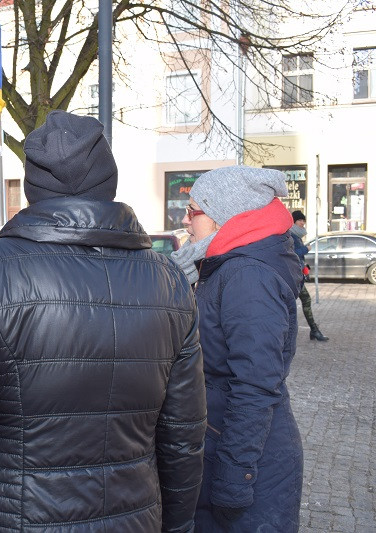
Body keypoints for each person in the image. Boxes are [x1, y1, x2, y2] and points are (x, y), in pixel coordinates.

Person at [0, 110, 207, 531]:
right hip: (131, 516)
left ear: (33, 187)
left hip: (12, 515)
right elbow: (183, 431)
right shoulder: (169, 280)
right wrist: (176, 521)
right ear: (109, 181)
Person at [170, 166, 304, 532]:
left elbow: (256, 384)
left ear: (221, 216)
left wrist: (235, 476)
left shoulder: (247, 275)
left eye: (193, 210)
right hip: (223, 441)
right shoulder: (220, 266)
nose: (185, 219)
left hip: (250, 460)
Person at [290, 210, 329, 341]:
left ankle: (314, 330)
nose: (302, 223)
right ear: (294, 221)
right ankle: (313, 331)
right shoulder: (291, 236)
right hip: (293, 276)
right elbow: (293, 253)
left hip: (298, 274)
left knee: (302, 300)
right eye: (300, 220)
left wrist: (304, 266)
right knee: (301, 301)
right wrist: (306, 249)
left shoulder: (297, 236)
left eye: (303, 221)